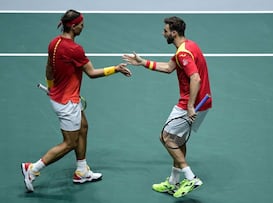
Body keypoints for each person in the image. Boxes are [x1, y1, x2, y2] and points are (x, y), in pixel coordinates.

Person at [21, 9, 132, 193]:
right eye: (81, 25)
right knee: (69, 142)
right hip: (67, 102)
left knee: (83, 127)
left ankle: (81, 171)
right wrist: (116, 68)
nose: (83, 27)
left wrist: (51, 86)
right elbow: (92, 73)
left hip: (60, 95)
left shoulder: (54, 43)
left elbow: (49, 68)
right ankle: (33, 169)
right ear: (73, 26)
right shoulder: (74, 49)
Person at [123, 16, 212, 198]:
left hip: (192, 104)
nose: (163, 34)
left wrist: (189, 106)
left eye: (165, 31)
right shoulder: (188, 46)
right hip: (202, 102)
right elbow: (168, 67)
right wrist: (142, 62)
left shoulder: (183, 53)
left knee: (166, 138)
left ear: (174, 32)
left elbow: (195, 78)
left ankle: (191, 177)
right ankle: (173, 182)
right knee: (177, 139)